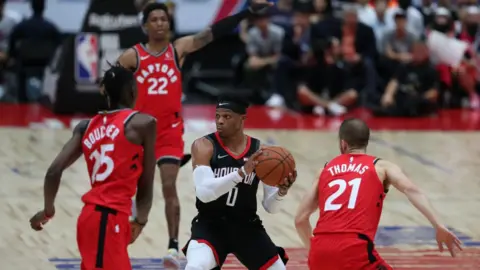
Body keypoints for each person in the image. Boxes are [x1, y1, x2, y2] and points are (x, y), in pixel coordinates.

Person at [116, 0, 274, 267]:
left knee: (169, 185)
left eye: (163, 19)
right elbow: (110, 88)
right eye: (154, 20)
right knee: (134, 189)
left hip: (168, 132)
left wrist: (247, 11)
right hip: (139, 131)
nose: (159, 24)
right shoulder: (131, 56)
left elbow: (211, 33)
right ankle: (129, 229)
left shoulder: (178, 49)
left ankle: (173, 247)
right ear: (145, 25)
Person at [29, 65, 157, 270]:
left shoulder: (85, 127)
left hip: (90, 217)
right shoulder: (144, 123)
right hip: (109, 218)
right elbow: (147, 179)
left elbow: (54, 171)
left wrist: (48, 211)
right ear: (132, 91)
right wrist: (140, 221)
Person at [295, 118, 463, 270]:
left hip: (319, 251)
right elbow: (411, 189)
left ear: (343, 144)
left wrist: (319, 254)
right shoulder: (381, 167)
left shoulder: (324, 170)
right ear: (366, 142)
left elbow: (300, 220)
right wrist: (438, 225)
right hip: (354, 248)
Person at [183, 97, 295, 270]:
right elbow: (204, 194)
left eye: (227, 117)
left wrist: (281, 192)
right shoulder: (204, 145)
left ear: (242, 119)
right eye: (217, 116)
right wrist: (241, 173)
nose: (220, 121)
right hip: (211, 224)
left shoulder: (261, 152)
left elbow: (271, 208)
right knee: (196, 267)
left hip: (246, 226)